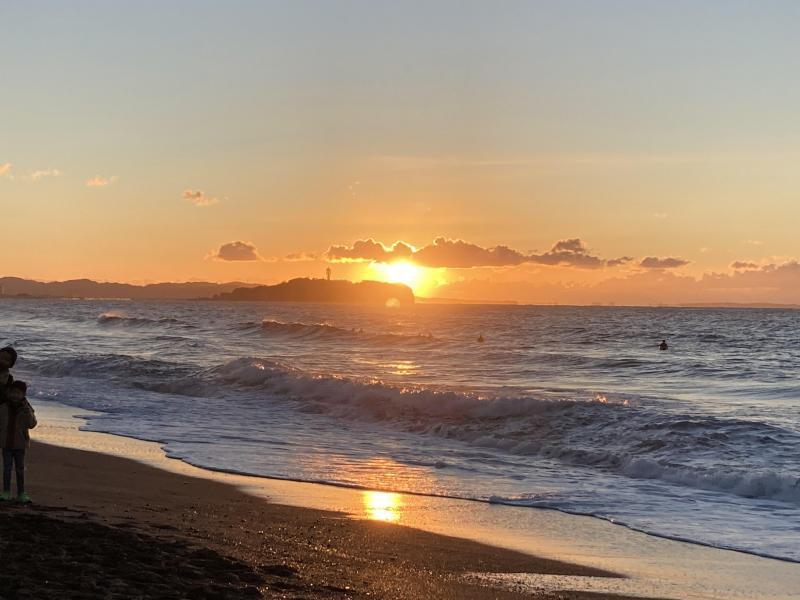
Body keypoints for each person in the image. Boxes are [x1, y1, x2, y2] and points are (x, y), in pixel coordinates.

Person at [0, 380, 37, 503]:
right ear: (9, 393)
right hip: (6, 443)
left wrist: (27, 410)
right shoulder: (3, 407)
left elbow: (32, 424)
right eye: (13, 392)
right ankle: (6, 491)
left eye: (18, 393)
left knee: (20, 469)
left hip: (20, 444)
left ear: (23, 395)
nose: (15, 395)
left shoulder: (26, 408)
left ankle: (21, 493)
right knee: (7, 468)